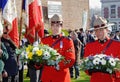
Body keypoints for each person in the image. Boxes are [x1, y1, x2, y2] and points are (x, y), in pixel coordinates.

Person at [84, 15, 120, 82]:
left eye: (101, 30)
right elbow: (86, 67)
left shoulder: (117, 45)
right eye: (96, 30)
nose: (98, 33)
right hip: (95, 79)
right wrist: (90, 70)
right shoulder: (89, 46)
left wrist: (113, 70)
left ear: (106, 30)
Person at [41, 14, 75, 82]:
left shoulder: (67, 41)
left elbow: (71, 59)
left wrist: (58, 65)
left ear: (61, 26)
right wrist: (37, 62)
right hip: (47, 77)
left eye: (57, 25)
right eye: (53, 25)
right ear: (50, 26)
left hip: (61, 77)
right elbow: (40, 58)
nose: (55, 28)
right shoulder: (44, 40)